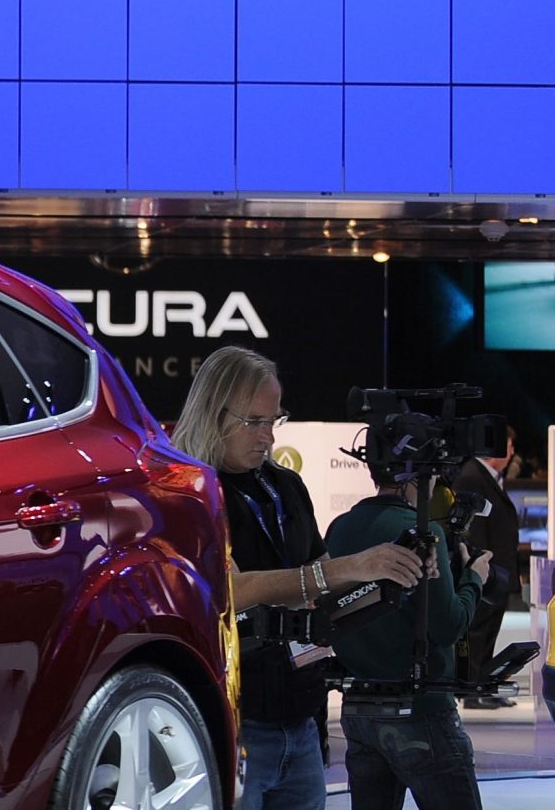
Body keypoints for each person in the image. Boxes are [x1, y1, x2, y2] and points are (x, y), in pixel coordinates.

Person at [173, 347, 422, 810]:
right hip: (231, 721)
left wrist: (390, 568)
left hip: (300, 720)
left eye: (274, 421)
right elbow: (234, 591)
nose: (268, 436)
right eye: (255, 422)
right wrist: (349, 567)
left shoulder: (285, 486)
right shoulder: (189, 492)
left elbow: (321, 585)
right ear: (214, 411)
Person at [326, 450, 491, 810]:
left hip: (359, 710)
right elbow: (449, 624)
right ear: (419, 475)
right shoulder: (424, 533)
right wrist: (475, 579)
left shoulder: (340, 527)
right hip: (421, 710)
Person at [451, 429, 520, 705]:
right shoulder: (472, 477)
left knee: (487, 629)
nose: (513, 452)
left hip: (496, 571)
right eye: (511, 445)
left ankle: (480, 686)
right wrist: (480, 568)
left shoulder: (485, 477)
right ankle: (471, 690)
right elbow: (474, 531)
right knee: (477, 629)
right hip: (485, 571)